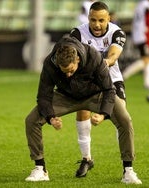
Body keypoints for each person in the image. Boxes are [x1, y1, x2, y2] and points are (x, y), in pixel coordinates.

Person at [24, 36, 142, 184]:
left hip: (95, 94)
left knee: (125, 119)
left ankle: (128, 171)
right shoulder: (50, 63)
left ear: (77, 60)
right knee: (31, 120)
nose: (68, 74)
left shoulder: (93, 56)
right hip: (66, 96)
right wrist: (50, 117)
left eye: (71, 70)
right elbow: (43, 96)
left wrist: (103, 114)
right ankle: (40, 169)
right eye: (64, 71)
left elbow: (108, 89)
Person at [70, 1, 138, 181]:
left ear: (109, 18)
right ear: (88, 18)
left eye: (101, 20)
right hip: (87, 80)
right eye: (93, 20)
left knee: (123, 117)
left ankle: (128, 170)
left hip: (112, 79)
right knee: (82, 110)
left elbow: (113, 56)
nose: (97, 24)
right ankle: (86, 158)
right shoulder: (77, 33)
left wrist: (102, 64)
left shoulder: (117, 32)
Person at [122, 0, 149, 90]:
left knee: (148, 59)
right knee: (147, 59)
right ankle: (124, 74)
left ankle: (148, 83)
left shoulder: (139, 5)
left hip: (138, 34)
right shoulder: (146, 5)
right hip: (143, 35)